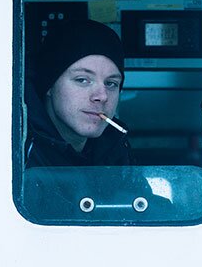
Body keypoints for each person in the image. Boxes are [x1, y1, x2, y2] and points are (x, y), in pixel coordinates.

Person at [25, 19, 133, 168]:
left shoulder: (114, 146)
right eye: (82, 80)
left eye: (111, 83)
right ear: (49, 85)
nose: (102, 96)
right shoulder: (18, 151)